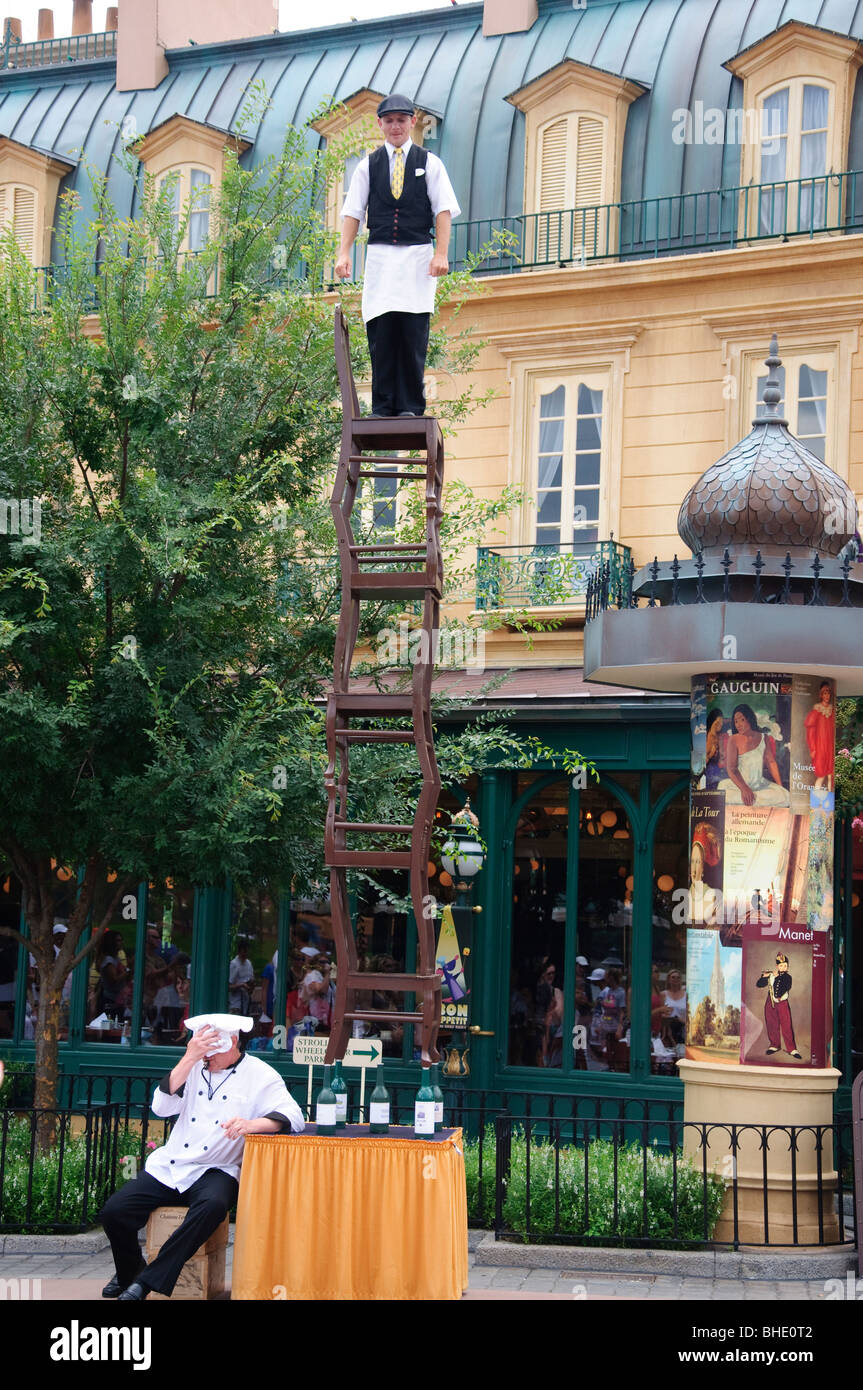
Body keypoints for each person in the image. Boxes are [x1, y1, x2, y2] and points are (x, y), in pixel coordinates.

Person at [99, 1012, 304, 1301]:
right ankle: (129, 1274)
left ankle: (144, 1283)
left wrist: (252, 1125)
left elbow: (294, 1116)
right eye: (203, 1052)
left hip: (218, 1169)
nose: (208, 1058)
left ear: (233, 1043)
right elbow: (160, 1107)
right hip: (173, 1164)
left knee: (214, 1206)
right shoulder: (194, 1066)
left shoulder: (260, 1074)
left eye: (212, 1052)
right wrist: (188, 1058)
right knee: (114, 1212)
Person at [335, 92, 461, 418]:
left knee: (412, 330)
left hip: (418, 255)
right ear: (380, 124)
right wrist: (344, 253)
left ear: (412, 122)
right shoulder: (368, 166)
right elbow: (353, 212)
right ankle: (383, 406)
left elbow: (443, 210)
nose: (395, 126)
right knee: (382, 330)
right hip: (379, 256)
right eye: (389, 121)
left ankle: (410, 406)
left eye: (401, 120)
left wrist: (441, 254)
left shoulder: (429, 162)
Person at [716, 703, 789, 806]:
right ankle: (751, 799)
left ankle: (752, 799)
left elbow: (771, 762)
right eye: (736, 721)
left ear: (749, 719)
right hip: (738, 786)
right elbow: (732, 769)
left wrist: (780, 786)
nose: (738, 724)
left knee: (784, 796)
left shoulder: (764, 738)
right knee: (723, 792)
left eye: (742, 720)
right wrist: (744, 789)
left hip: (759, 786)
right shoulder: (733, 739)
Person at [756, 953, 802, 1060]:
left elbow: (785, 987)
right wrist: (765, 976)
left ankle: (792, 1048)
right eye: (781, 966)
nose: (783, 968)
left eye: (785, 966)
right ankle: (774, 1045)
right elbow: (759, 984)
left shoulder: (788, 977)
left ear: (787, 967)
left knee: (786, 1024)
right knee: (772, 1023)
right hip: (770, 1002)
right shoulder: (772, 975)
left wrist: (775, 979)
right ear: (777, 966)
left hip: (782, 1002)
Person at [804, 682, 835, 790]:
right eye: (825, 693)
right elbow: (811, 733)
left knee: (831, 775)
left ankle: (828, 805)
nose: (827, 696)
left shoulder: (833, 711)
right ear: (821, 695)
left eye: (828, 693)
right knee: (821, 776)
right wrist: (813, 748)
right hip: (820, 747)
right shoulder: (816, 712)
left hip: (830, 747)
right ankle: (816, 803)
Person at [228, 940, 254, 1014]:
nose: (245, 954)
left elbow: (251, 980)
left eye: (247, 952)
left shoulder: (248, 963)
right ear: (239, 952)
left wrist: (251, 985)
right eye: (244, 952)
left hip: (246, 1002)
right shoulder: (234, 964)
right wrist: (241, 985)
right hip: (235, 1004)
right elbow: (228, 987)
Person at [704, 707, 726, 789]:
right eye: (717, 723)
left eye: (721, 723)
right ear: (712, 722)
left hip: (717, 770)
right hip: (709, 772)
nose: (719, 726)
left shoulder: (719, 737)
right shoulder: (706, 736)